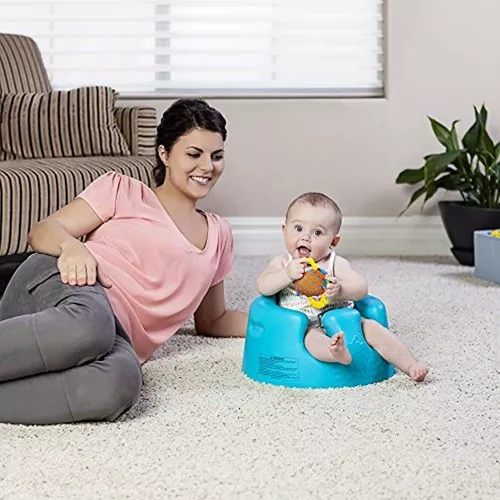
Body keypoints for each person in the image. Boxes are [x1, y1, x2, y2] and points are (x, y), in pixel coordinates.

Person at [0, 98, 248, 425]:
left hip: (114, 337)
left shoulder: (220, 234)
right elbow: (42, 231)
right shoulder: (123, 190)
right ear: (164, 154)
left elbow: (213, 320)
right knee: (90, 326)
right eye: (194, 154)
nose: (207, 167)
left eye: (217, 156)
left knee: (122, 382)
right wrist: (72, 247)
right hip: (68, 286)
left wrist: (291, 321)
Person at [256, 192, 429, 382]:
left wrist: (340, 290)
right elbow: (263, 286)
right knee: (311, 340)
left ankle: (410, 364)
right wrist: (286, 275)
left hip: (342, 318)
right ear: (284, 230)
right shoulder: (282, 263)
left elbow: (361, 287)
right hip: (307, 324)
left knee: (373, 328)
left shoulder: (334, 263)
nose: (306, 238)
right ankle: (335, 352)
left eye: (317, 233)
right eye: (298, 228)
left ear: (333, 242)